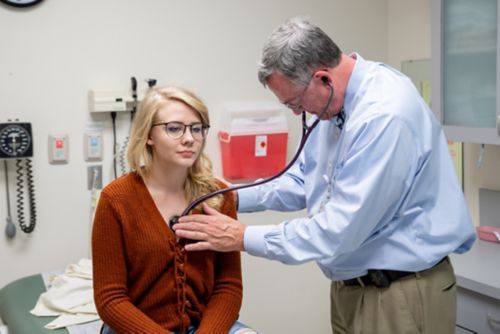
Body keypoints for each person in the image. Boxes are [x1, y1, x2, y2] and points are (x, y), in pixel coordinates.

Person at [173, 17, 477, 334]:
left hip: (399, 292)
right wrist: (225, 195)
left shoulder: (385, 115)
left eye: (294, 102)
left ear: (322, 79)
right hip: (352, 287)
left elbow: (338, 230)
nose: (295, 112)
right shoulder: (334, 105)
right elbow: (302, 182)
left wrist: (242, 237)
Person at [92, 86, 247, 334]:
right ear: (149, 136)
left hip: (204, 327)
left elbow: (228, 287)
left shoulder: (218, 197)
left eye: (197, 128)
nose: (189, 138)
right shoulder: (116, 200)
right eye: (174, 128)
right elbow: (110, 299)